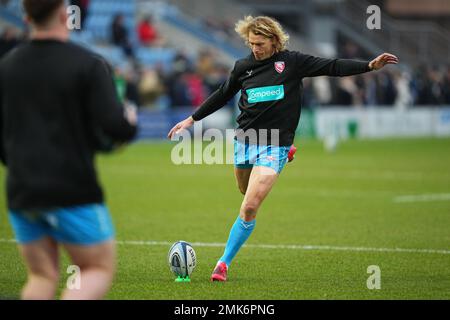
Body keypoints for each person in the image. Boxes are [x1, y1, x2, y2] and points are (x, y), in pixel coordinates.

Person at [167, 15, 398, 282]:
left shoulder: (292, 62)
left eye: (260, 43)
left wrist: (369, 65)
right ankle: (284, 158)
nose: (255, 48)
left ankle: (223, 264)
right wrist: (191, 119)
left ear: (274, 41)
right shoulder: (243, 66)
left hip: (276, 143)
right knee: (243, 190)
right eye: (252, 43)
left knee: (250, 205)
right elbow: (222, 93)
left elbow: (331, 66)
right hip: (245, 141)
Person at [0, 0, 137, 299]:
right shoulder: (87, 64)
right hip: (71, 188)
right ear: (65, 15)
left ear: (25, 17)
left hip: (22, 190)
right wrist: (130, 119)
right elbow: (116, 128)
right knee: (95, 269)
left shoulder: (7, 66)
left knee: (41, 275)